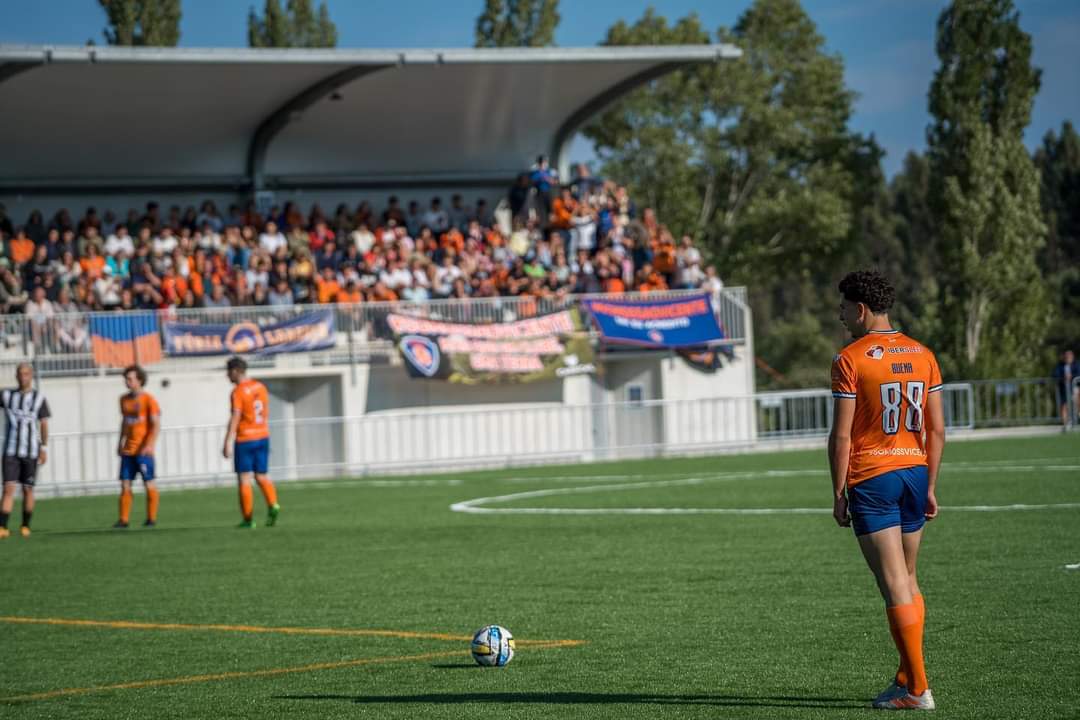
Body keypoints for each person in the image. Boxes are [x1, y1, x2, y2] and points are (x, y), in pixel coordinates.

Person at [828, 270, 944, 711]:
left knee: (894, 583)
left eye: (842, 307)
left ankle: (918, 689)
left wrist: (838, 492)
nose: (840, 315)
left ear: (860, 309)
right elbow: (936, 430)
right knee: (906, 582)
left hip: (874, 478)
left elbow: (841, 438)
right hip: (914, 473)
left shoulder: (850, 359)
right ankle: (906, 676)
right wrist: (930, 485)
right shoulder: (922, 353)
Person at [222, 357, 278, 528]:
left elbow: (236, 416)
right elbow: (265, 409)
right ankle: (273, 504)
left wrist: (228, 441)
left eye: (228, 371)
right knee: (261, 475)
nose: (227, 375)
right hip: (263, 436)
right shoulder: (260, 387)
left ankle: (248, 519)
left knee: (244, 479)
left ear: (236, 371)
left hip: (245, 439)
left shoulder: (238, 392)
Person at [0, 364, 50, 538]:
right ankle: (3, 527)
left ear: (32, 375)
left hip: (31, 452)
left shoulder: (39, 398)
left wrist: (43, 447)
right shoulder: (6, 395)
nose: (23, 377)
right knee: (8, 488)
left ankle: (25, 525)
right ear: (16, 376)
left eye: (27, 374)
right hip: (10, 451)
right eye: (20, 374)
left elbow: (44, 424)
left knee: (28, 489)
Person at [115, 365, 160, 528]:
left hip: (143, 450)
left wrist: (149, 445)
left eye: (130, 379)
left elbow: (155, 425)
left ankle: (151, 518)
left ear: (139, 380)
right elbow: (125, 423)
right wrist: (120, 442)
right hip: (128, 449)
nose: (127, 382)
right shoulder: (123, 400)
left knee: (149, 482)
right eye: (126, 379)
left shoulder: (149, 400)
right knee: (125, 483)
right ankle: (124, 519)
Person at [1052, 349, 1079, 430]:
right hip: (1063, 389)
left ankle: (1075, 419)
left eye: (1070, 356)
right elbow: (1055, 374)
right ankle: (1065, 424)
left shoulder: (1076, 365)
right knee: (1064, 406)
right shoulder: (1060, 365)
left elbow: (1078, 374)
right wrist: (1063, 377)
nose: (1068, 358)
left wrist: (1072, 376)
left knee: (1076, 401)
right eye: (1067, 356)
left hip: (1074, 387)